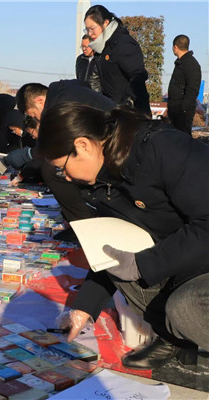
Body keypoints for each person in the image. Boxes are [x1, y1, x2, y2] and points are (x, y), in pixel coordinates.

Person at [38, 102, 209, 370]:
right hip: (188, 259)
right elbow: (112, 249)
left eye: (63, 167)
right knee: (120, 264)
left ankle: (183, 326)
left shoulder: (162, 149)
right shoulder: (103, 183)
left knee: (186, 308)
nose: (67, 178)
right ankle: (174, 337)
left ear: (83, 145)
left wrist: (145, 264)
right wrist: (84, 309)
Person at [16, 80, 114, 224]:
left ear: (40, 101)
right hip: (107, 139)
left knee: (52, 170)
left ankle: (82, 223)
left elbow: (57, 147)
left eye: (32, 114)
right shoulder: (65, 92)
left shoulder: (60, 106)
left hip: (113, 144)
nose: (36, 119)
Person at [84, 5, 150, 115]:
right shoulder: (101, 48)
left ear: (105, 23)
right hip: (111, 110)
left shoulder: (123, 43)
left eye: (92, 29)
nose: (90, 34)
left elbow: (138, 75)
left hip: (130, 115)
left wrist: (127, 104)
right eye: (87, 29)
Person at [167, 34, 202, 135]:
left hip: (182, 112)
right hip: (175, 110)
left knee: (182, 140)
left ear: (175, 47)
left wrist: (182, 109)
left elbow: (193, 89)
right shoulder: (181, 63)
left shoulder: (190, 64)